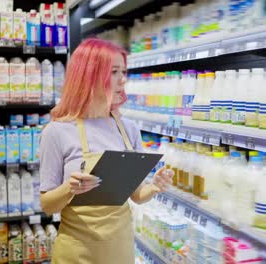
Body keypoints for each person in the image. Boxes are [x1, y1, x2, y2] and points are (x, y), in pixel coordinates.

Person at [39, 38, 174, 264]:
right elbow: (47, 205)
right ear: (88, 75)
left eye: (123, 71)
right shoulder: (57, 132)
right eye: (113, 72)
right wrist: (69, 188)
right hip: (77, 253)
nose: (123, 79)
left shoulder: (128, 130)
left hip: (120, 250)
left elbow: (137, 195)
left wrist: (154, 187)